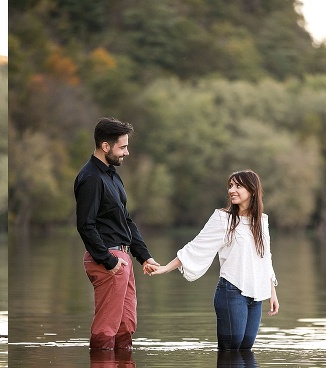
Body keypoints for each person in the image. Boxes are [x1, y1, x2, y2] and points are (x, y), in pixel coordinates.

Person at [149, 169, 279, 350]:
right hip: (232, 293)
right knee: (231, 352)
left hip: (256, 295)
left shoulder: (262, 221)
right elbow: (196, 247)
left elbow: (265, 258)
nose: (231, 190)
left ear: (253, 191)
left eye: (238, 186)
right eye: (231, 186)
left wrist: (272, 292)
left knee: (246, 349)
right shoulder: (223, 218)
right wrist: (164, 268)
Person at [74, 117, 160, 350]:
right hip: (108, 260)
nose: (127, 152)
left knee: (126, 326)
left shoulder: (111, 176)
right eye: (122, 147)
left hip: (122, 259)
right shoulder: (91, 178)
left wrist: (144, 256)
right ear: (105, 146)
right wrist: (108, 261)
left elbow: (126, 220)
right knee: (107, 328)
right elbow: (85, 224)